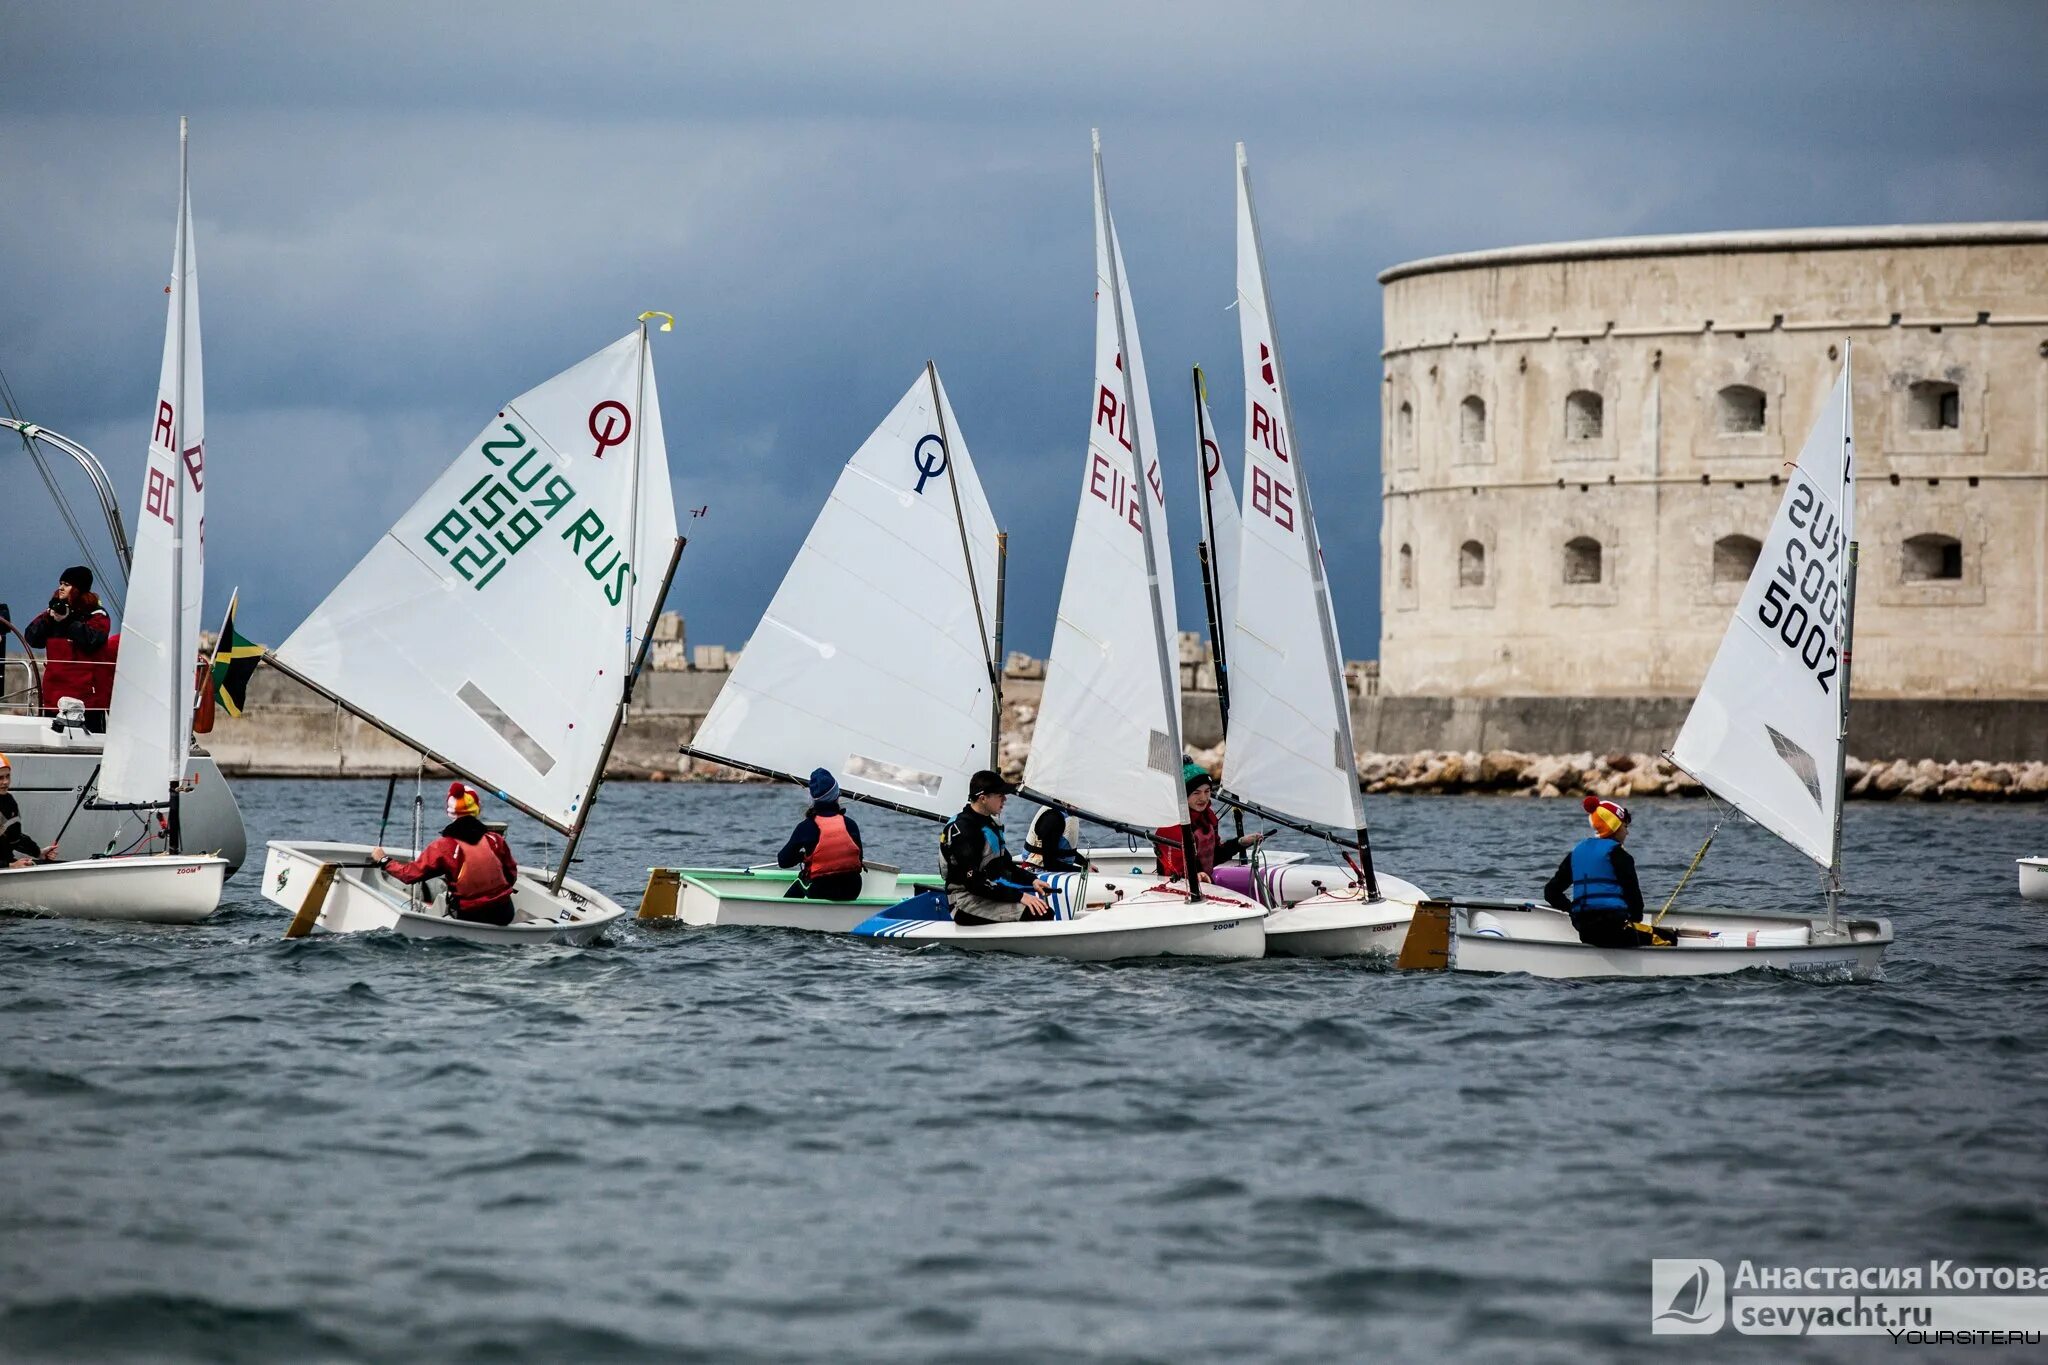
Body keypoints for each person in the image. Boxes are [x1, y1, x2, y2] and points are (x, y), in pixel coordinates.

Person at [372, 782, 520, 926]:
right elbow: (511, 875)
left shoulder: (443, 846)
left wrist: (384, 860)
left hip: (470, 917)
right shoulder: (495, 839)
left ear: (450, 812)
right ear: (477, 809)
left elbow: (409, 875)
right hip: (504, 914)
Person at [1542, 795, 1678, 947]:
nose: (1627, 833)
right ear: (1614, 826)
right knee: (1669, 938)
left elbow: (1551, 892)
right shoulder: (1619, 855)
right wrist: (1634, 920)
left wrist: (1572, 909)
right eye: (1625, 827)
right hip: (1614, 930)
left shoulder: (1576, 853)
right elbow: (1634, 898)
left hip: (1585, 931)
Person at [939, 769, 1053, 924]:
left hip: (983, 895)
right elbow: (975, 885)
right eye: (1000, 795)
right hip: (964, 903)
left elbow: (1005, 866)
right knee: (1040, 913)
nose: (1005, 799)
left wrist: (1032, 880)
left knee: (1042, 908)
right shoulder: (965, 831)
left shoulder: (988, 823)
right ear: (983, 798)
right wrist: (1020, 896)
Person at [23, 567, 115, 732]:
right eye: (61, 584)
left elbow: (93, 640)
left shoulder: (96, 615)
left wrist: (68, 621)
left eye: (67, 584)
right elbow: (32, 637)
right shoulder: (53, 613)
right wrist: (49, 620)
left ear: (78, 588)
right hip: (54, 697)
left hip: (86, 701)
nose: (61, 588)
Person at [1155, 763, 1265, 883]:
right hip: (1176, 887)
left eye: (1207, 791)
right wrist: (1197, 874)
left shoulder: (1208, 817)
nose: (1203, 798)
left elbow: (1215, 855)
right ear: (1183, 796)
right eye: (1196, 793)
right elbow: (1178, 868)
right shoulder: (1170, 826)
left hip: (1205, 882)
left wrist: (1240, 842)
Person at [776, 767, 866, 900]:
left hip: (821, 891)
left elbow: (783, 861)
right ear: (837, 795)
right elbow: (859, 858)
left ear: (813, 798)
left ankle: (782, 916)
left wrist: (803, 857)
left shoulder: (805, 827)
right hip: (853, 890)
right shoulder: (850, 824)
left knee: (800, 881)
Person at [0, 755, 58, 868]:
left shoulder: (9, 802)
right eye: (0, 778)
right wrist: (10, 865)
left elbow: (15, 837)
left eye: (8, 776)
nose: (5, 782)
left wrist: (39, 853)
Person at [1023, 802, 1085, 874]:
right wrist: (1082, 870)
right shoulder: (1053, 818)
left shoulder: (1063, 815)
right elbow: (1049, 863)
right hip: (1038, 870)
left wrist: (1085, 864)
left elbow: (1061, 852)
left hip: (1056, 868)